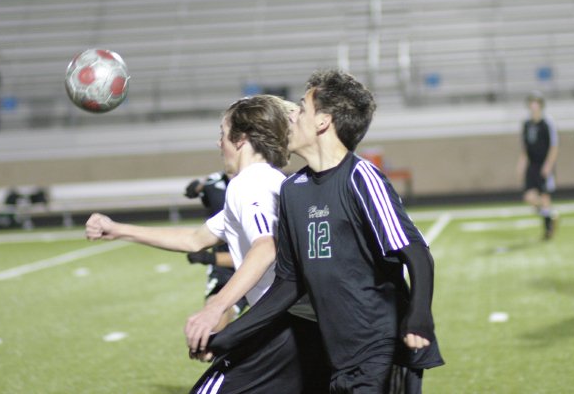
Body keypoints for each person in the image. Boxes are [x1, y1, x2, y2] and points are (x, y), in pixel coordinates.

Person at [206, 69, 443, 393]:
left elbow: (416, 252)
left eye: (301, 109)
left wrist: (419, 316)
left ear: (322, 122)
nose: (291, 118)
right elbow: (288, 285)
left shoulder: (361, 178)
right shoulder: (293, 190)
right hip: (337, 354)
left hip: (383, 350)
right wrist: (228, 336)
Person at [86, 95, 326, 393]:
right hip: (301, 324)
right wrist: (118, 230)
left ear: (240, 139)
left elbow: (266, 247)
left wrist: (216, 307)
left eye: (222, 133)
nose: (218, 143)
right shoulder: (271, 181)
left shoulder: (249, 183)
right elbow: (195, 239)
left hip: (283, 324)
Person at [184, 171, 248, 331]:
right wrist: (197, 187)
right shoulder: (215, 182)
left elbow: (261, 254)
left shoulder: (262, 183)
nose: (219, 144)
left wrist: (208, 257)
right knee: (214, 315)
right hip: (224, 272)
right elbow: (197, 187)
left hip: (258, 268)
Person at [515, 91, 559, 240]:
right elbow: (525, 147)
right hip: (532, 164)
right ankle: (550, 215)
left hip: (544, 164)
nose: (534, 106)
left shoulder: (547, 123)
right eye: (531, 103)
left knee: (545, 196)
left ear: (540, 105)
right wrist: (522, 163)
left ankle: (548, 230)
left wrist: (548, 165)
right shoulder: (526, 124)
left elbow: (553, 146)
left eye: (536, 103)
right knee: (529, 197)